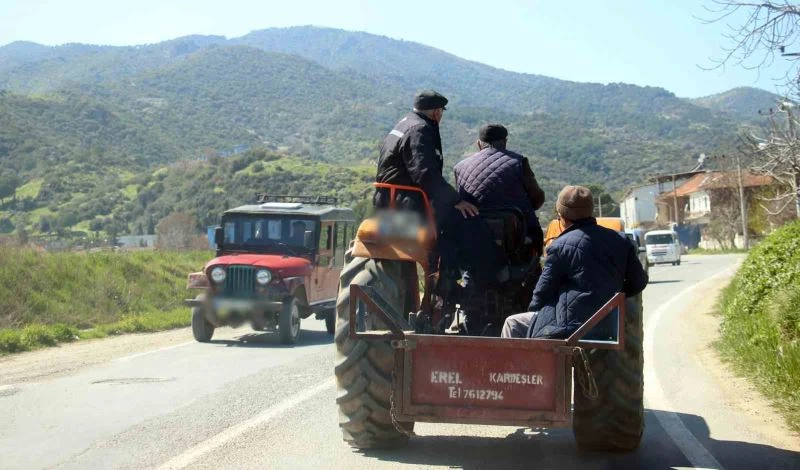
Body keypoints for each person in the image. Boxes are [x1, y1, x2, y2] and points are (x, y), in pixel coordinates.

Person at [374, 90, 508, 287]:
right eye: (441, 112)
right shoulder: (420, 130)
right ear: (437, 113)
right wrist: (456, 200)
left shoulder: (403, 124)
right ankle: (449, 282)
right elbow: (425, 173)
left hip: (387, 202)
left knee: (450, 219)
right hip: (409, 205)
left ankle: (444, 279)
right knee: (467, 221)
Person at [502, 185, 648, 339]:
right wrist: (612, 294)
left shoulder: (559, 246)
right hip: (609, 325)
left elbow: (543, 292)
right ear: (591, 211)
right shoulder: (621, 241)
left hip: (569, 328)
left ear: (562, 216)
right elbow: (639, 281)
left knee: (513, 323)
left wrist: (536, 312)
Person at [454, 124, 546, 255]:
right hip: (516, 240)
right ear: (505, 142)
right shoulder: (518, 162)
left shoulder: (460, 168)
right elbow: (537, 200)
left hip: (475, 241)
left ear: (479, 144)